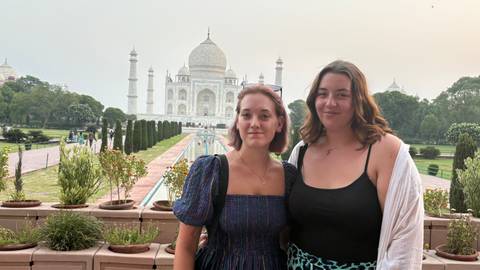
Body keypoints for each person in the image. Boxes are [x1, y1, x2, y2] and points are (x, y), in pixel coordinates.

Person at [287, 60, 423, 269]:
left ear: (358, 100)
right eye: (323, 94)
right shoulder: (303, 151)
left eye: (342, 94)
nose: (330, 102)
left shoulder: (387, 152)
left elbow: (405, 236)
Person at [173, 85, 298, 270]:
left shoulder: (288, 177)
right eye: (246, 115)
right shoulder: (210, 171)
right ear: (237, 121)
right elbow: (186, 246)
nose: (254, 123)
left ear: (279, 123)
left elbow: (289, 240)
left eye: (264, 116)